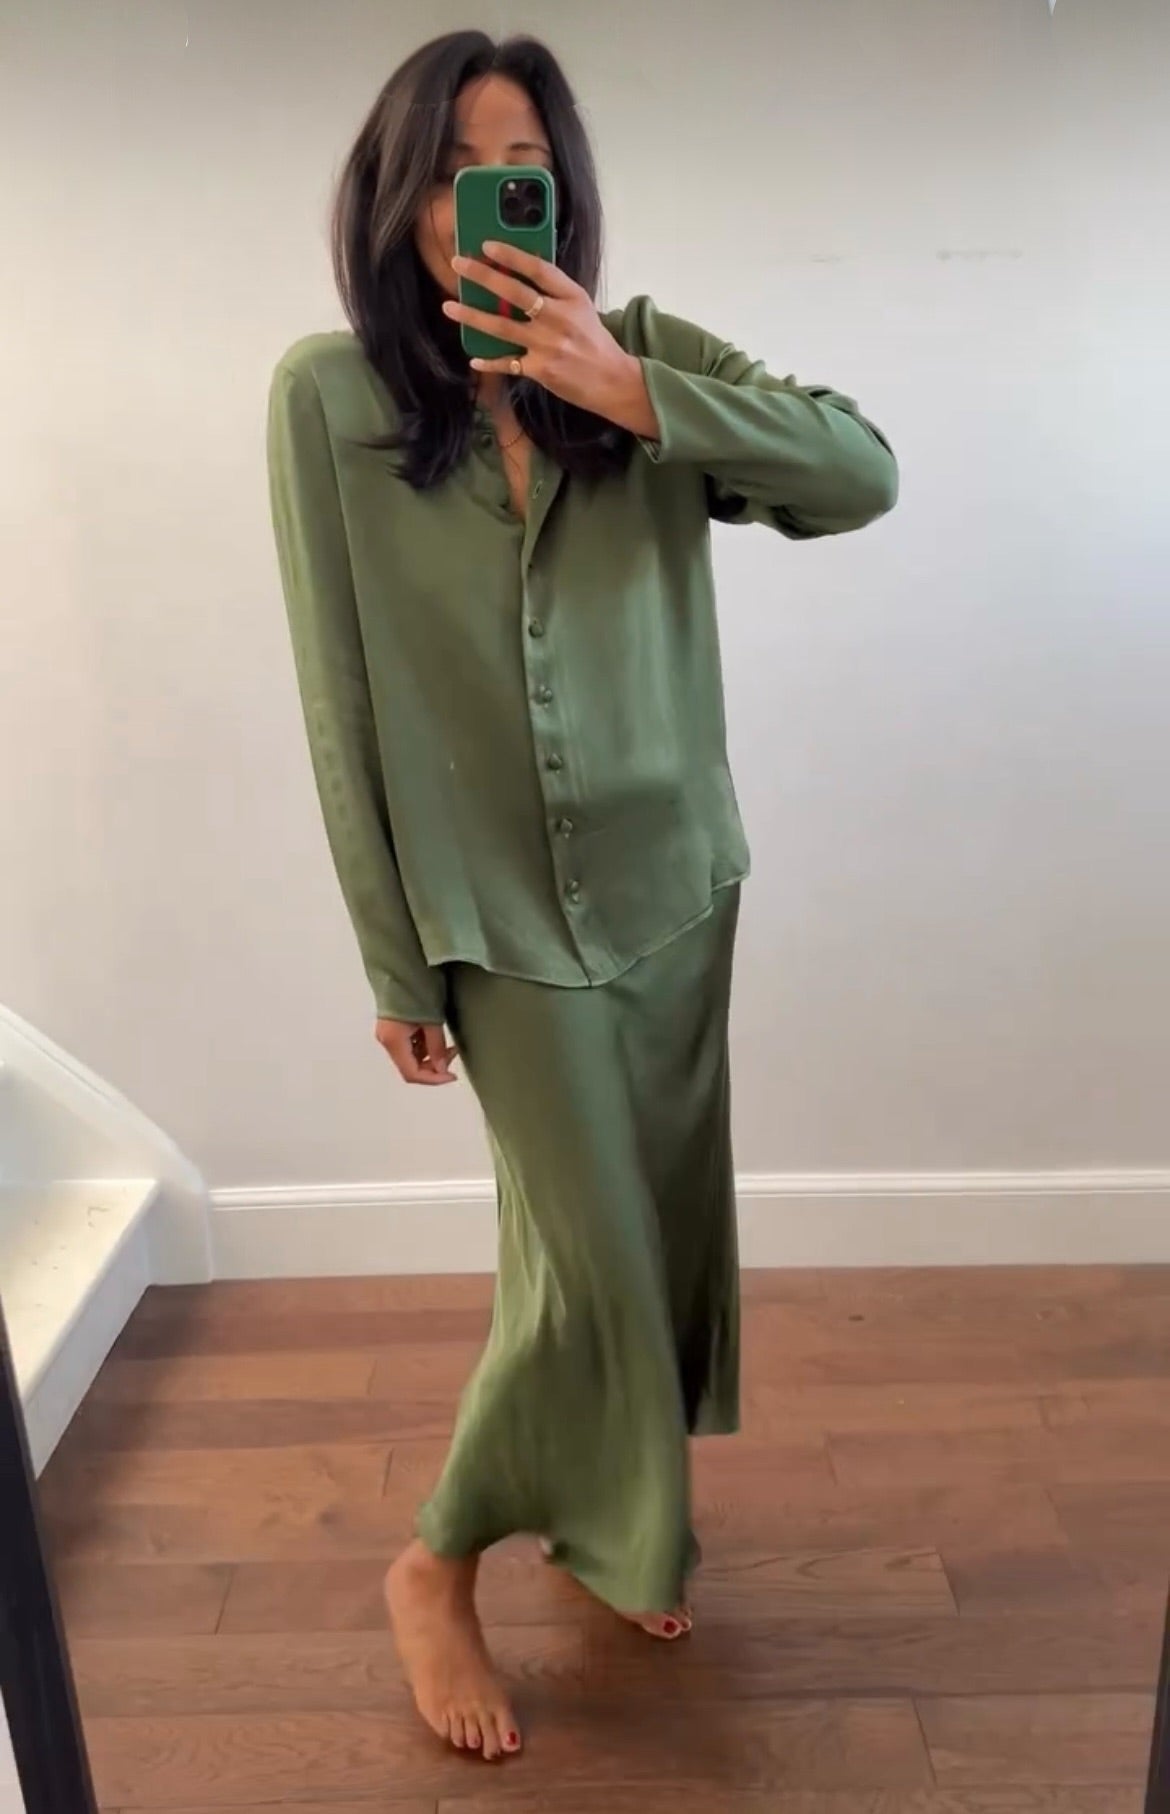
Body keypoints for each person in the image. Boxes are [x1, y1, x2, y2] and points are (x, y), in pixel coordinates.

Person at [267, 27, 897, 1765]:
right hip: (491, 915)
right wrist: (391, 957)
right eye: (453, 172)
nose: (485, 203)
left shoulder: (648, 357)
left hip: (673, 883)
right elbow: (336, 698)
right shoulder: (328, 398)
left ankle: (617, 1526)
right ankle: (433, 1560)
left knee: (652, 1231)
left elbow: (861, 474)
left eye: (521, 170)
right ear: (397, 198)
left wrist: (630, 393)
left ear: (561, 193)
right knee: (593, 1258)